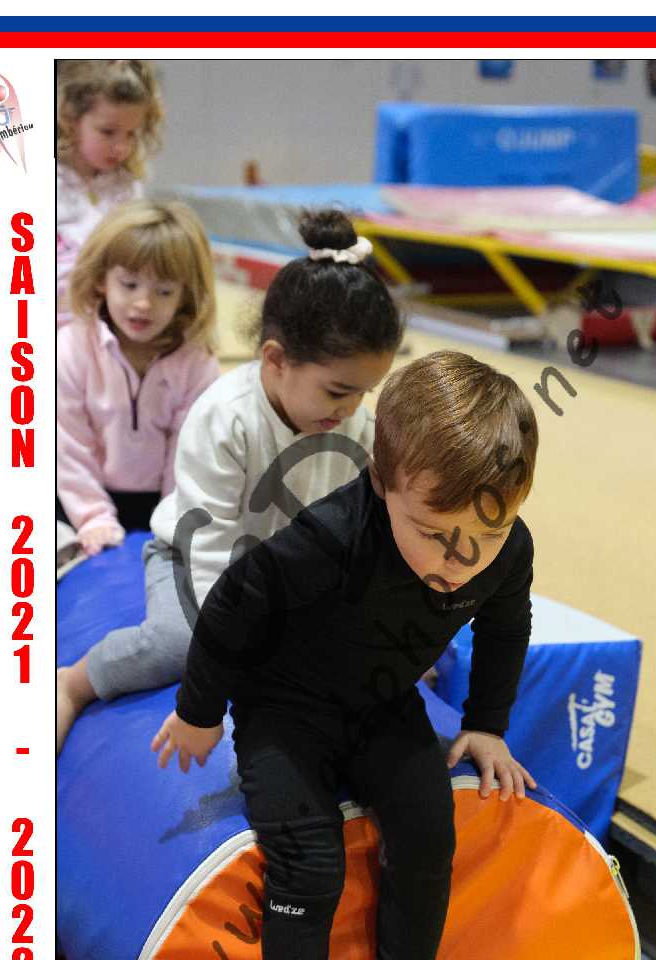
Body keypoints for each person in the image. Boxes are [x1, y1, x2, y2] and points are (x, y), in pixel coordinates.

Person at [152, 349, 539, 960]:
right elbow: (231, 606)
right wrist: (199, 711)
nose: (459, 558)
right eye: (434, 534)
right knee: (311, 862)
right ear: (381, 483)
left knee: (429, 828)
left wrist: (487, 723)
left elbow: (507, 626)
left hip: (381, 703)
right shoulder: (330, 537)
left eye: (486, 533)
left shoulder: (508, 549)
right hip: (284, 709)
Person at [57, 210, 402, 753]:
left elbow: (368, 527)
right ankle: (73, 684)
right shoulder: (225, 417)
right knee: (178, 643)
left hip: (285, 571)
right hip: (193, 557)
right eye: (338, 391)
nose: (351, 406)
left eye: (365, 391)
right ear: (275, 360)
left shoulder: (355, 424)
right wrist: (241, 632)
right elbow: (208, 542)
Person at [57, 199, 220, 559]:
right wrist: (93, 517)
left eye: (164, 291)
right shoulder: (70, 348)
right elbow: (69, 447)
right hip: (78, 498)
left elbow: (188, 453)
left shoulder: (196, 363)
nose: (144, 303)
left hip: (159, 502)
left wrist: (175, 520)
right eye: (129, 285)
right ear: (101, 280)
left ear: (185, 295)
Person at [56, 59, 164, 322]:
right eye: (108, 132)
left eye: (131, 134)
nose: (121, 146)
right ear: (71, 121)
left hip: (111, 321)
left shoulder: (127, 185)